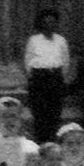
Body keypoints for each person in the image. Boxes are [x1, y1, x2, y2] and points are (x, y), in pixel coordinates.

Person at [23, 10, 71, 144]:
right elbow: (28, 61)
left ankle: (52, 142)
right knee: (39, 112)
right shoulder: (33, 40)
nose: (49, 25)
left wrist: (58, 76)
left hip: (55, 78)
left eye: (52, 22)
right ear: (41, 24)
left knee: (54, 112)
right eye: (46, 22)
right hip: (39, 78)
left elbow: (66, 61)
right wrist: (35, 77)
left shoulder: (61, 40)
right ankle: (40, 142)